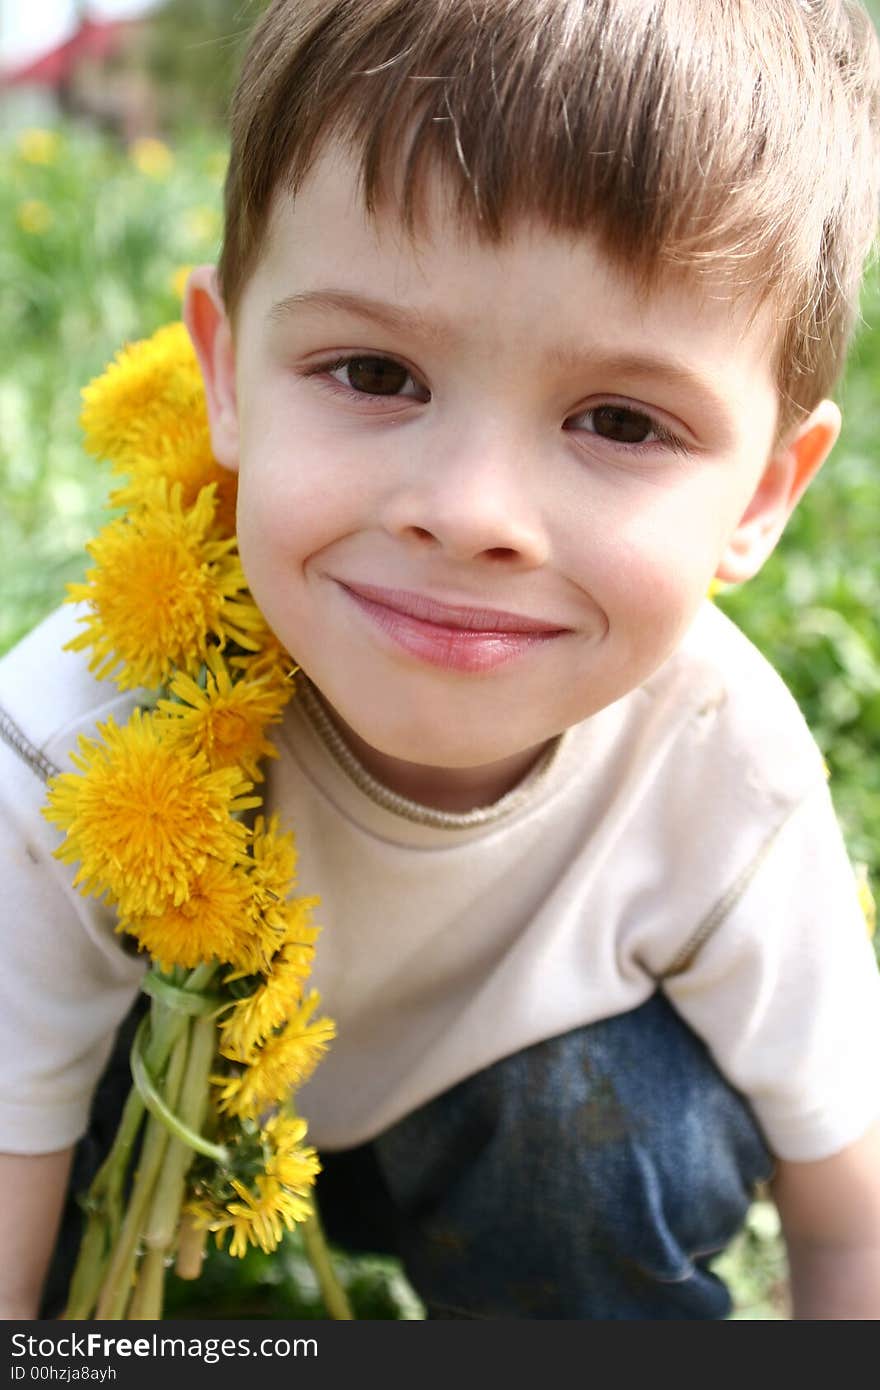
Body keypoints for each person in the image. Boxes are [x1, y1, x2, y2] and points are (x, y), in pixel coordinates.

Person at [2, 0, 880, 1321]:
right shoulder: (80, 727)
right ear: (227, 374)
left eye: (621, 420)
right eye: (374, 370)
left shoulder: (725, 771)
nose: (469, 509)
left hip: (519, 1129)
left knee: (614, 1130)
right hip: (156, 1112)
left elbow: (850, 1209)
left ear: (762, 495)